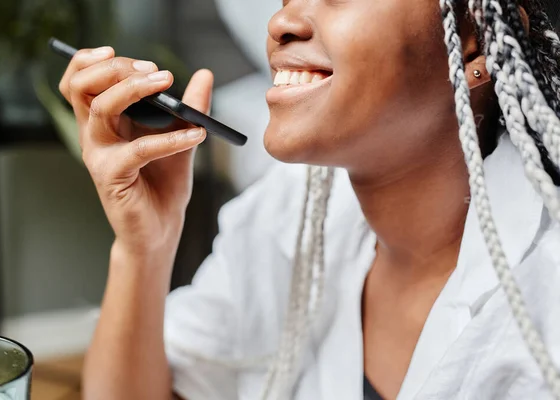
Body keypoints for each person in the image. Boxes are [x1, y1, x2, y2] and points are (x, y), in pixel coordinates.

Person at [58, 0, 560, 399]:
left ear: (474, 40)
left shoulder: (547, 298)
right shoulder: (282, 215)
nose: (281, 22)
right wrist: (144, 247)